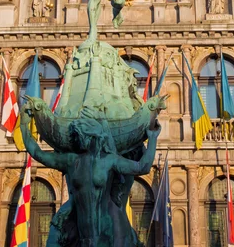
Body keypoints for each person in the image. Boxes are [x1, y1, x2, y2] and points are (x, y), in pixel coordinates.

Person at [20, 104, 161, 247]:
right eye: (76, 136)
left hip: (109, 229)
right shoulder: (71, 161)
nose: (78, 140)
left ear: (93, 137)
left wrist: (153, 138)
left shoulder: (109, 160)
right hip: (81, 229)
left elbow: (143, 167)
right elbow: (38, 153)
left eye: (81, 136)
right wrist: (24, 124)